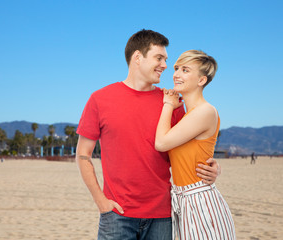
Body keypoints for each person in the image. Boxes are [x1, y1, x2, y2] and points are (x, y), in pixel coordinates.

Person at [76, 30, 220, 240]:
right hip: (117, 214)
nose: (164, 65)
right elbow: (82, 154)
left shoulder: (172, 102)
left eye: (165, 60)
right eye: (159, 58)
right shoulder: (100, 99)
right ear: (137, 58)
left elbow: (188, 150)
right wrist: (101, 202)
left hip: (162, 216)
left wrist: (212, 167)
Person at [155, 50, 236, 239]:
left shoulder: (205, 111)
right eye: (176, 69)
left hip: (200, 200)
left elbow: (161, 143)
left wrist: (168, 104)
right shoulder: (187, 116)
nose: (176, 74)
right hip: (183, 201)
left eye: (185, 70)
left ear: (201, 80)